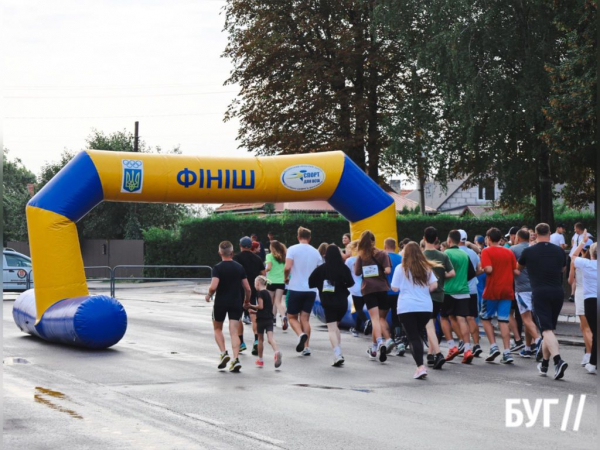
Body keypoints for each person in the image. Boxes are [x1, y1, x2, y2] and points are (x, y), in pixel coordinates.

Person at [518, 223, 568, 380]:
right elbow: (563, 269)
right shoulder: (559, 250)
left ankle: (558, 361)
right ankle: (545, 364)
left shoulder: (529, 251)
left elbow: (518, 267)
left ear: (535, 234)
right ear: (550, 233)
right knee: (549, 330)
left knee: (545, 330)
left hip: (540, 292)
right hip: (558, 292)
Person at [391, 242, 441, 379]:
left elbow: (394, 288)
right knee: (417, 335)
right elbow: (434, 285)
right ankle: (420, 365)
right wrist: (424, 291)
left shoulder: (400, 268)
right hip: (425, 306)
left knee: (413, 337)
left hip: (406, 307)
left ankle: (420, 367)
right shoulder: (426, 268)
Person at [205, 241, 251, 373]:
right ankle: (235, 359)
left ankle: (223, 353)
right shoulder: (239, 267)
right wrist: (246, 301)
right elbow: (247, 288)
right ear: (232, 252)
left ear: (220, 253)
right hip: (236, 302)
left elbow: (214, 286)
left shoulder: (217, 268)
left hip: (221, 302)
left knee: (217, 329)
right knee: (234, 332)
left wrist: (209, 294)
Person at [309, 245, 355, 366]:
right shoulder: (343, 268)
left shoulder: (321, 269)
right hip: (342, 301)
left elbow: (310, 282)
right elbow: (351, 283)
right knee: (336, 327)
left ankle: (337, 353)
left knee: (331, 328)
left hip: (328, 301)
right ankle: (338, 351)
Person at [480, 227, 519, 364]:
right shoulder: (508, 252)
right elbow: (516, 271)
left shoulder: (486, 251)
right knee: (503, 321)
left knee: (485, 318)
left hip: (491, 291)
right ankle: (507, 352)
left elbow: (489, 269)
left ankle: (493, 346)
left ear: (489, 239)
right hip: (507, 290)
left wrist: (482, 268)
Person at [354, 230, 392, 363]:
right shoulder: (382, 253)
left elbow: (357, 272)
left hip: (368, 290)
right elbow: (388, 270)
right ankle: (374, 348)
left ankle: (380, 343)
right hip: (382, 289)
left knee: (374, 319)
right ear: (374, 240)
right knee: (380, 318)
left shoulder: (361, 256)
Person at [284, 226, 322, 356]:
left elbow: (287, 267)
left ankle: (300, 335)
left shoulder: (292, 249)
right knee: (305, 319)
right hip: (310, 289)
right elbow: (319, 270)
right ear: (310, 238)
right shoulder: (316, 252)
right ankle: (306, 347)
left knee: (292, 317)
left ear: (298, 237)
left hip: (295, 288)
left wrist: (285, 278)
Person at [441, 230, 477, 364]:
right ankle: (467, 349)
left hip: (448, 290)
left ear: (449, 241)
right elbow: (472, 273)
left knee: (444, 317)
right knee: (461, 319)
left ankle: (452, 346)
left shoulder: (446, 253)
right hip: (464, 290)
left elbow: (441, 273)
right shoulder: (464, 254)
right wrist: (461, 280)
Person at [423, 227, 455, 369]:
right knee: (431, 322)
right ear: (436, 239)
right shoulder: (443, 256)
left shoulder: (420, 256)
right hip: (439, 294)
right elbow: (452, 273)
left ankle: (437, 353)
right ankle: (430, 355)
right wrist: (440, 277)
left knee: (428, 325)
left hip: (424, 294)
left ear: (424, 238)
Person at [510, 229, 541, 358]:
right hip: (536, 287)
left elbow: (513, 268)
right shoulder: (534, 248)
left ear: (517, 237)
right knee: (530, 318)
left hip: (522, 288)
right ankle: (528, 348)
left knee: (526, 319)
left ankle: (540, 341)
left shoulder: (513, 250)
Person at [234, 236, 266, 356]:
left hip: (239, 291)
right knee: (254, 316)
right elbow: (263, 274)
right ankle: (257, 339)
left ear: (240, 245)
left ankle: (241, 342)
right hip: (254, 290)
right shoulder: (257, 258)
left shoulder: (236, 258)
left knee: (238, 317)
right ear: (250, 246)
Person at [571, 233, 597, 375]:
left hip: (590, 300)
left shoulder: (586, 263)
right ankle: (593, 362)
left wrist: (582, 242)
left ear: (592, 253)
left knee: (594, 331)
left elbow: (572, 257)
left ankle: (593, 363)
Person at [458, 229, 484, 357]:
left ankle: (463, 342)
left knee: (459, 318)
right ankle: (476, 344)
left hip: (458, 290)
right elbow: (480, 270)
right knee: (472, 318)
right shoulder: (473, 253)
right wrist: (472, 276)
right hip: (473, 289)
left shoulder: (452, 252)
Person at [247, 276, 282, 368]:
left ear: (258, 283)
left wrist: (251, 306)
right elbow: (266, 308)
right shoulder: (267, 293)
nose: (254, 286)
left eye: (255, 284)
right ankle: (277, 351)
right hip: (269, 319)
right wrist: (254, 312)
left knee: (260, 340)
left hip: (261, 320)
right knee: (270, 339)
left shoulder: (260, 294)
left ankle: (260, 360)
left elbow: (261, 306)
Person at [568, 242, 593, 367]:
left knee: (585, 328)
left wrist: (581, 242)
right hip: (594, 295)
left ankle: (590, 355)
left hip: (582, 295)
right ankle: (588, 354)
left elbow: (570, 280)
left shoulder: (579, 263)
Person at [346, 240, 369, 337]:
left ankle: (366, 321)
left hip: (355, 287)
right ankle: (357, 328)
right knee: (362, 307)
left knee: (358, 308)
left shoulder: (350, 260)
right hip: (366, 286)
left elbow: (346, 273)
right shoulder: (366, 259)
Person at [384, 238, 402, 353]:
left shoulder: (383, 257)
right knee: (397, 319)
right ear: (395, 247)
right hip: (398, 293)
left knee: (381, 318)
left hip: (385, 292)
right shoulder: (401, 258)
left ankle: (388, 339)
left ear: (385, 246)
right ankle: (400, 343)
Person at [265, 240, 288, 330]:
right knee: (278, 302)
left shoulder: (269, 256)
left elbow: (269, 267)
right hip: (281, 281)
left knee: (270, 302)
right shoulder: (284, 256)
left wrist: (264, 270)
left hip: (271, 281)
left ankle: (271, 319)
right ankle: (283, 316)